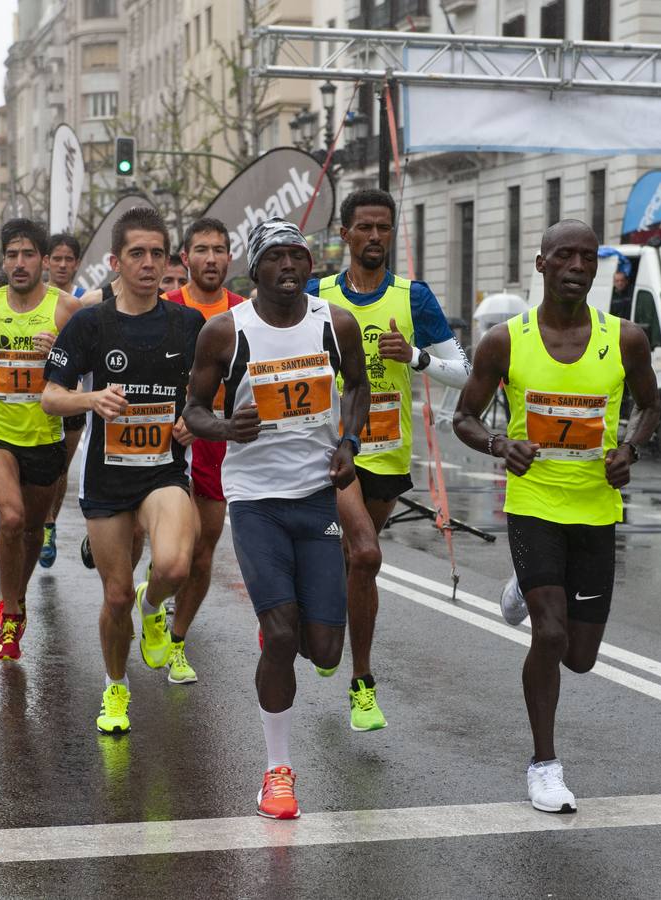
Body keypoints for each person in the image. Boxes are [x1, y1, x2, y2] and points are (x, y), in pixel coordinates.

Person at [453, 220, 660, 813]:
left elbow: (650, 406)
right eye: (564, 255)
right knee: (550, 632)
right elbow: (464, 417)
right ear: (540, 264)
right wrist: (498, 445)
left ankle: (528, 581)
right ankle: (544, 766)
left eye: (587, 257)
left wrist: (631, 448)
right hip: (534, 504)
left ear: (597, 268)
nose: (576, 266)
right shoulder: (504, 341)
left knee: (581, 656)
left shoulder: (626, 339)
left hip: (595, 507)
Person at [184, 218, 368, 819]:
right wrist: (224, 426)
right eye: (277, 258)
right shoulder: (225, 332)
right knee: (284, 637)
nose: (289, 267)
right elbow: (194, 410)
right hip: (255, 498)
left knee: (325, 653)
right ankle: (276, 772)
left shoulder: (334, 324)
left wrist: (349, 443)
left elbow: (359, 389)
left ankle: (282, 624)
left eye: (299, 257)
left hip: (316, 495)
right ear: (255, 269)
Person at [309, 189, 471, 732]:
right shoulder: (319, 294)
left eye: (384, 228)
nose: (375, 237)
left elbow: (464, 371)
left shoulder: (414, 298)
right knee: (366, 554)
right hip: (331, 448)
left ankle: (321, 623)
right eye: (365, 228)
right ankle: (363, 683)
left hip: (388, 450)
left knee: (353, 560)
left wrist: (417, 357)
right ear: (345, 234)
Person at [41, 207, 204, 735]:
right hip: (107, 478)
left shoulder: (188, 324)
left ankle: (152, 605)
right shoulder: (92, 323)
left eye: (158, 253)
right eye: (137, 253)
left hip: (163, 471)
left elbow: (211, 397)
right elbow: (49, 398)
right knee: (113, 596)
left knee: (176, 565)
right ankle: (116, 688)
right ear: (116, 261)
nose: (149, 263)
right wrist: (92, 399)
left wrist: (193, 422)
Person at [0, 218, 76, 661]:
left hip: (44, 438)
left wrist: (59, 350)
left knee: (33, 532)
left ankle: (14, 598)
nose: (19, 264)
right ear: (3, 260)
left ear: (44, 260)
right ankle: (11, 615)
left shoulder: (66, 309)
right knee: (11, 518)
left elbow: (89, 363)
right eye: (11, 255)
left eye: (28, 255)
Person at [159, 217, 247, 684]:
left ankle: (177, 640)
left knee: (201, 550)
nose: (210, 258)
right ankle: (152, 599)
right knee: (163, 547)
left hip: (217, 443)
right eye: (201, 250)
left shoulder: (246, 312)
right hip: (168, 439)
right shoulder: (166, 308)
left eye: (219, 249)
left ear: (229, 257)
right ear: (185, 258)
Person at [36, 232, 89, 569]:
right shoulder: (36, 299)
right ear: (46, 262)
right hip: (37, 397)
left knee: (60, 468)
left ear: (77, 263)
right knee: (41, 466)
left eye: (69, 259)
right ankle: (43, 524)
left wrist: (60, 348)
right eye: (57, 258)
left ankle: (49, 522)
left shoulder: (84, 302)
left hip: (73, 397)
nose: (63, 264)